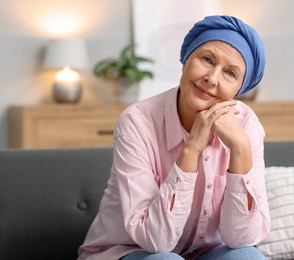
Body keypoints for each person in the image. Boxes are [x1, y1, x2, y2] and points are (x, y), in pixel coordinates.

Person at [78, 15, 270, 260]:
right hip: (130, 250)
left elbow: (242, 239)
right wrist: (190, 150)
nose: (212, 78)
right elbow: (156, 241)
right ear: (186, 59)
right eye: (207, 59)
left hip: (204, 253)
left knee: (247, 257)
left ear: (238, 90)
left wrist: (241, 147)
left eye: (230, 73)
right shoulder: (137, 122)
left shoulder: (246, 124)